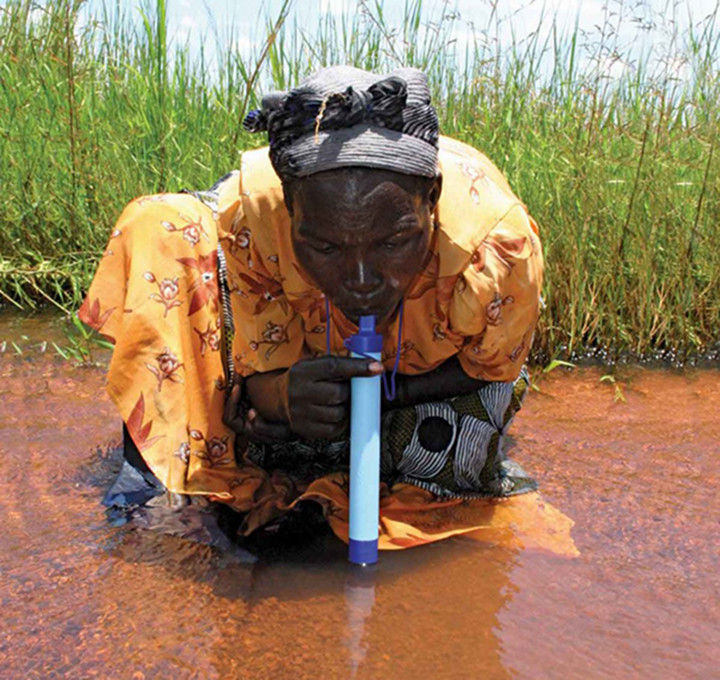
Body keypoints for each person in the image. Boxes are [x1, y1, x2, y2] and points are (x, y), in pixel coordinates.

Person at [80, 66, 574, 553]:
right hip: (307, 376)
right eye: (325, 248)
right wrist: (284, 398)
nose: (361, 282)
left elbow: (488, 371)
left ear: (432, 202)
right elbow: (259, 374)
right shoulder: (254, 218)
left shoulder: (496, 247)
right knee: (162, 225)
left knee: (449, 458)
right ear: (289, 214)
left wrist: (381, 391)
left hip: (422, 387)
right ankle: (170, 492)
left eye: (395, 243)